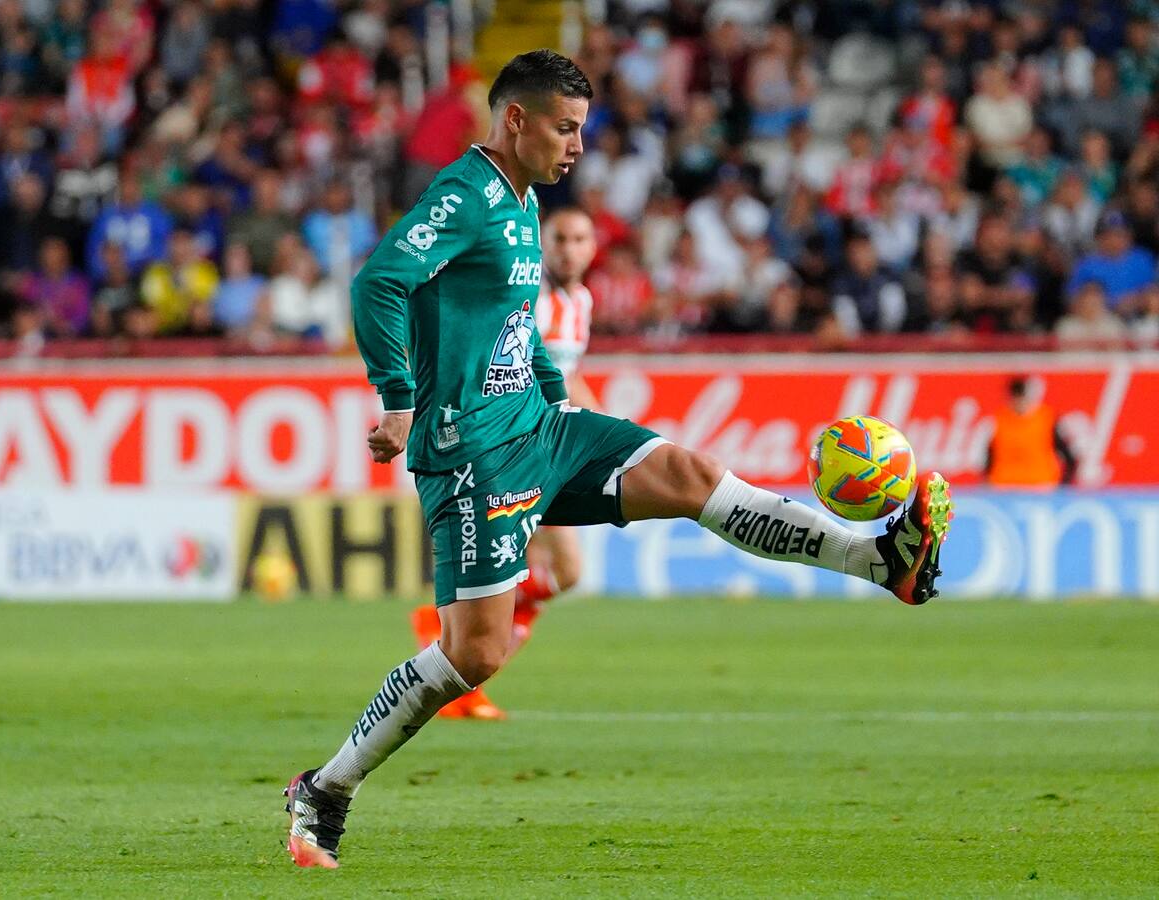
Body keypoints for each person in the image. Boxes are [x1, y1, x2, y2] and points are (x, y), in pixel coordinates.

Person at [283, 51, 955, 870]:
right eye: (565, 128)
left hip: (543, 425)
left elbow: (511, 323)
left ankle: (878, 557)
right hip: (474, 456)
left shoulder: (523, 203)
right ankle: (328, 787)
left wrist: (554, 387)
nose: (576, 146)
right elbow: (378, 284)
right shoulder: (465, 194)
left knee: (689, 476)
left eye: (583, 130)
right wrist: (397, 396)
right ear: (517, 120)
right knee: (477, 652)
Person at [407, 206, 599, 720]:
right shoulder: (526, 293)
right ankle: (451, 658)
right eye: (559, 237)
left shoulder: (580, 302)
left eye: (580, 238)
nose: (569, 248)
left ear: (593, 248)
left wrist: (596, 417)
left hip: (548, 444)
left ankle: (458, 678)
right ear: (543, 241)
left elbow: (564, 371)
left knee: (535, 576)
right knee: (564, 570)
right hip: (512, 447)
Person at [984, 375, 1076, 488]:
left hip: (1039, 486)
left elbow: (1068, 455)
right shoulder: (998, 420)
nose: (1019, 403)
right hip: (1004, 486)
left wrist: (1063, 486)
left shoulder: (1047, 418)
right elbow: (990, 455)